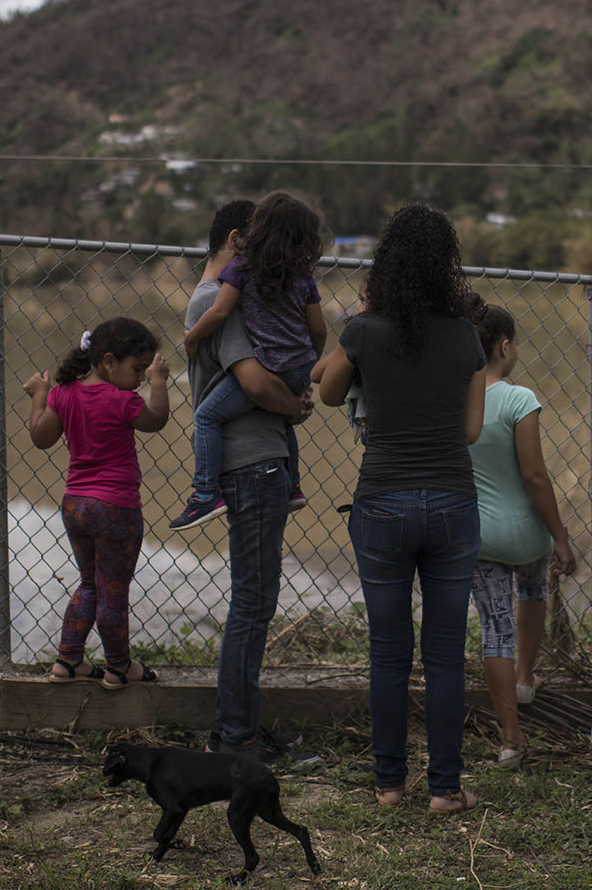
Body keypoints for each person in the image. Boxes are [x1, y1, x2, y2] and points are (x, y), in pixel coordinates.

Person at [317, 202, 486, 814]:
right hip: (452, 501)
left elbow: (330, 392)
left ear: (386, 263)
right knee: (444, 654)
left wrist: (360, 328)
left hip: (382, 500)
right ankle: (445, 789)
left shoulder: (363, 330)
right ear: (445, 266)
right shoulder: (467, 336)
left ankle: (390, 785)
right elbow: (470, 430)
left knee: (388, 652)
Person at [190, 200, 321, 768]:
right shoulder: (217, 298)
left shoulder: (240, 293)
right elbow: (255, 382)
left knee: (254, 602)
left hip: (257, 465)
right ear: (240, 239)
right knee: (252, 604)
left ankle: (239, 729)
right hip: (253, 466)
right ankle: (236, 736)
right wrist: (294, 406)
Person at [23, 317, 170, 689]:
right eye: (136, 368)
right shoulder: (124, 401)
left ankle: (68, 660)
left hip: (75, 506)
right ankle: (119, 667)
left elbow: (41, 438)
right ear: (108, 362)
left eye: (143, 372)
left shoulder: (64, 393)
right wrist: (158, 382)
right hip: (115, 509)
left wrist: (41, 394)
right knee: (113, 590)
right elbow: (157, 421)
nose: (139, 377)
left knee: (89, 584)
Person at [464, 297, 576, 770]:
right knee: (532, 590)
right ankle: (526, 677)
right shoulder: (518, 399)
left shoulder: (455, 399)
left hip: (478, 535)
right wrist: (561, 536)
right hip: (526, 534)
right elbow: (535, 476)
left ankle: (510, 737)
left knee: (495, 632)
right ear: (504, 346)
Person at [174, 190, 327, 529]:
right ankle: (294, 485)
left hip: (264, 394)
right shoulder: (301, 277)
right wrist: (307, 366)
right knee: (286, 423)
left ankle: (204, 493)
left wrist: (192, 337)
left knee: (205, 416)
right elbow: (318, 329)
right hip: (301, 365)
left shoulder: (241, 273)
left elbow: (221, 314)